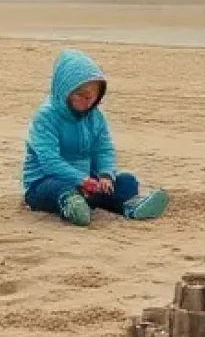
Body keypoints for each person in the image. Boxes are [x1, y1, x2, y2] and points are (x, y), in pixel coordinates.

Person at [23, 50, 169, 226]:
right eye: (82, 95)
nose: (88, 101)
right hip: (45, 182)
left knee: (127, 181)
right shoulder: (46, 117)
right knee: (58, 189)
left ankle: (130, 207)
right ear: (65, 92)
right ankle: (72, 206)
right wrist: (81, 180)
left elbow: (104, 149)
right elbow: (50, 161)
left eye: (93, 96)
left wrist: (105, 175)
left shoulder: (96, 117)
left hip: (88, 183)